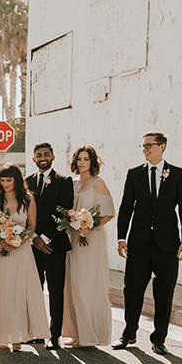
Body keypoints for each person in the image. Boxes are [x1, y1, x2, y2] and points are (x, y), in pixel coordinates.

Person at [114, 131, 182, 355]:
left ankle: (159, 339)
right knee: (132, 290)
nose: (145, 149)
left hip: (167, 244)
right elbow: (125, 208)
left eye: (149, 145)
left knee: (164, 292)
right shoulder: (134, 174)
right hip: (138, 243)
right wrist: (121, 237)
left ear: (162, 146)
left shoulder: (178, 174)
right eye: (143, 145)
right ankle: (128, 334)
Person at [0, 163, 49, 350]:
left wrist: (18, 242)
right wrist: (1, 238)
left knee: (19, 293)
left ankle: (18, 337)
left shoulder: (28, 199)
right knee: (2, 292)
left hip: (21, 251)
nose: (5, 184)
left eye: (9, 180)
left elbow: (31, 226)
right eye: (2, 180)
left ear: (17, 180)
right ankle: (3, 335)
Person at [62, 146, 116, 347]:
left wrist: (90, 227)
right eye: (79, 159)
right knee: (74, 285)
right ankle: (77, 332)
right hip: (74, 239)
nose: (82, 162)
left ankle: (91, 335)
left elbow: (109, 212)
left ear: (93, 162)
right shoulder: (73, 183)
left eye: (86, 159)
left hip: (91, 240)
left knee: (88, 285)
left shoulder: (98, 183)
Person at [26, 142, 74, 350]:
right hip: (32, 246)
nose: (43, 157)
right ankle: (37, 332)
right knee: (34, 289)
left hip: (55, 245)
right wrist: (34, 237)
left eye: (46, 154)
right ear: (33, 159)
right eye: (39, 155)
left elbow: (65, 212)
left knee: (55, 291)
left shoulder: (64, 181)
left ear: (53, 157)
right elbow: (25, 213)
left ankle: (54, 335)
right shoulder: (27, 182)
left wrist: (44, 238)